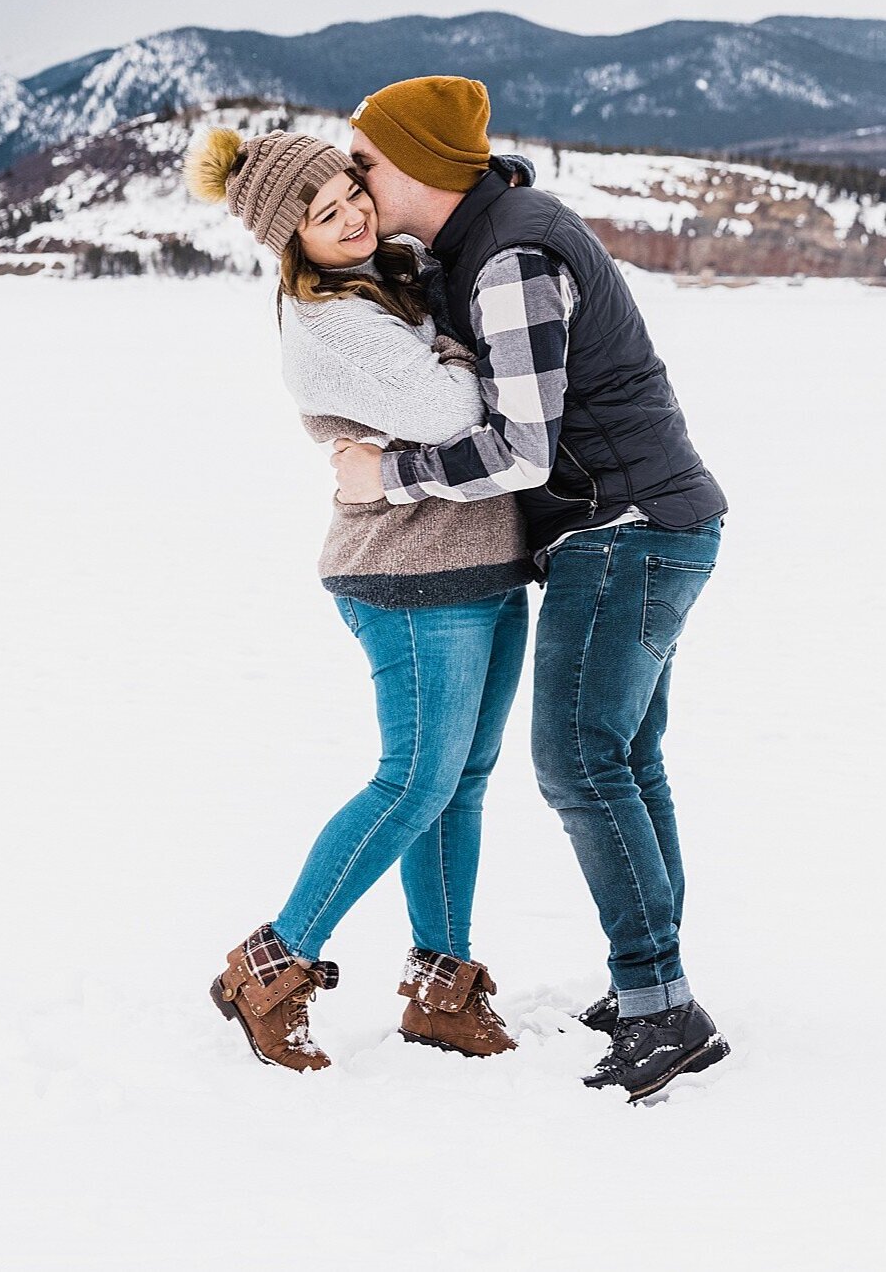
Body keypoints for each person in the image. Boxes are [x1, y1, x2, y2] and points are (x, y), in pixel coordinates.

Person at [331, 76, 731, 1102]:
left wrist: (388, 478)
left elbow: (517, 445)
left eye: (367, 160)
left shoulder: (508, 254)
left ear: (422, 162)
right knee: (626, 757)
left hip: (626, 527)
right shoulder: (494, 235)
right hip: (654, 520)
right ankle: (654, 984)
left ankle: (660, 1005)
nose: (355, 178)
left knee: (581, 760)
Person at [184, 126, 532, 1072]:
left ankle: (441, 987)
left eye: (351, 193)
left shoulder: (387, 276)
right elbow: (458, 414)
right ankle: (271, 963)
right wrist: (463, 342)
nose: (351, 218)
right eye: (323, 214)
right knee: (415, 780)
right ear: (289, 238)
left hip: (481, 563)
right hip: (410, 573)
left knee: (456, 784)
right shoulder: (332, 321)